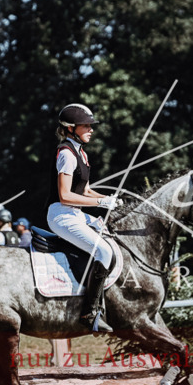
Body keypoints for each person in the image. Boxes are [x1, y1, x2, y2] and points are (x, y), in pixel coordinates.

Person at [47, 103, 122, 333]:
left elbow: (86, 191)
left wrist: (110, 199)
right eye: (86, 126)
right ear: (70, 128)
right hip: (61, 216)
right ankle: (90, 313)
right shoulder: (67, 154)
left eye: (91, 125)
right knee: (104, 251)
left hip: (76, 214)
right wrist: (101, 203)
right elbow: (66, 195)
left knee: (112, 240)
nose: (91, 129)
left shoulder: (81, 153)